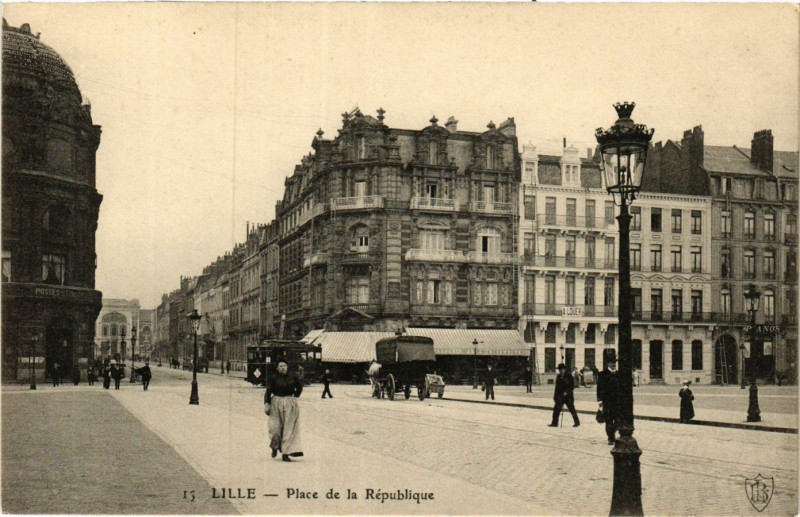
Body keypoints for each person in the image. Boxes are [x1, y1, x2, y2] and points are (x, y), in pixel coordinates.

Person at [264, 360, 304, 462]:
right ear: (277, 368)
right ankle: (275, 446)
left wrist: (295, 396)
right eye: (280, 366)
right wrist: (267, 404)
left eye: (284, 365)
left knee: (288, 428)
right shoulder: (273, 378)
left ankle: (286, 453)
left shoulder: (293, 376)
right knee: (275, 428)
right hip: (276, 403)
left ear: (287, 367)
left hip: (289, 403)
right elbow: (268, 391)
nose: (283, 367)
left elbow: (300, 386)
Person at [596, 350, 619, 444]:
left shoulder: (619, 374)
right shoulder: (602, 374)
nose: (613, 364)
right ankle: (611, 438)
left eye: (614, 363)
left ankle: (612, 432)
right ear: (608, 364)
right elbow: (599, 389)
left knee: (618, 420)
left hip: (617, 402)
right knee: (609, 421)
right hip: (607, 402)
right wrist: (600, 401)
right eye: (611, 363)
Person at [549, 363, 580, 427]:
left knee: (572, 409)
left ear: (564, 369)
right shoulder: (559, 376)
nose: (561, 371)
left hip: (568, 396)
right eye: (560, 370)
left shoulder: (569, 376)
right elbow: (557, 387)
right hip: (560, 396)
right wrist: (555, 396)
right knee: (556, 409)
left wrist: (567, 392)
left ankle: (577, 422)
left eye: (562, 369)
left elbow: (572, 386)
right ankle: (554, 423)